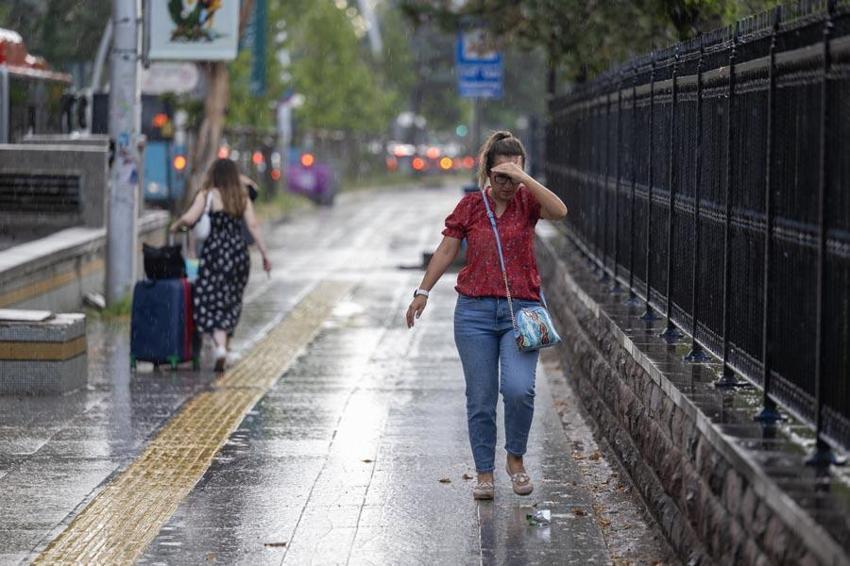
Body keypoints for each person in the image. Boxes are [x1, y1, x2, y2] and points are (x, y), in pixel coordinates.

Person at [405, 131, 568, 500]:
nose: (509, 185)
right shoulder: (471, 207)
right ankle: (484, 473)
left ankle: (515, 459)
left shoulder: (528, 202)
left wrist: (525, 179)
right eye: (501, 177)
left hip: (521, 312)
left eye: (515, 176)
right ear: (487, 174)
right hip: (474, 314)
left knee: (518, 389)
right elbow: (447, 250)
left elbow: (559, 212)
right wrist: (422, 292)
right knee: (480, 398)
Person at [170, 158, 272, 371]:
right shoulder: (241, 196)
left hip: (215, 254)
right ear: (235, 176)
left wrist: (176, 225)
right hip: (238, 255)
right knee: (231, 300)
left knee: (210, 299)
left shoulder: (207, 195)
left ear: (213, 174)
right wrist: (264, 254)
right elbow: (252, 225)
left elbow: (189, 219)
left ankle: (219, 347)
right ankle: (224, 347)